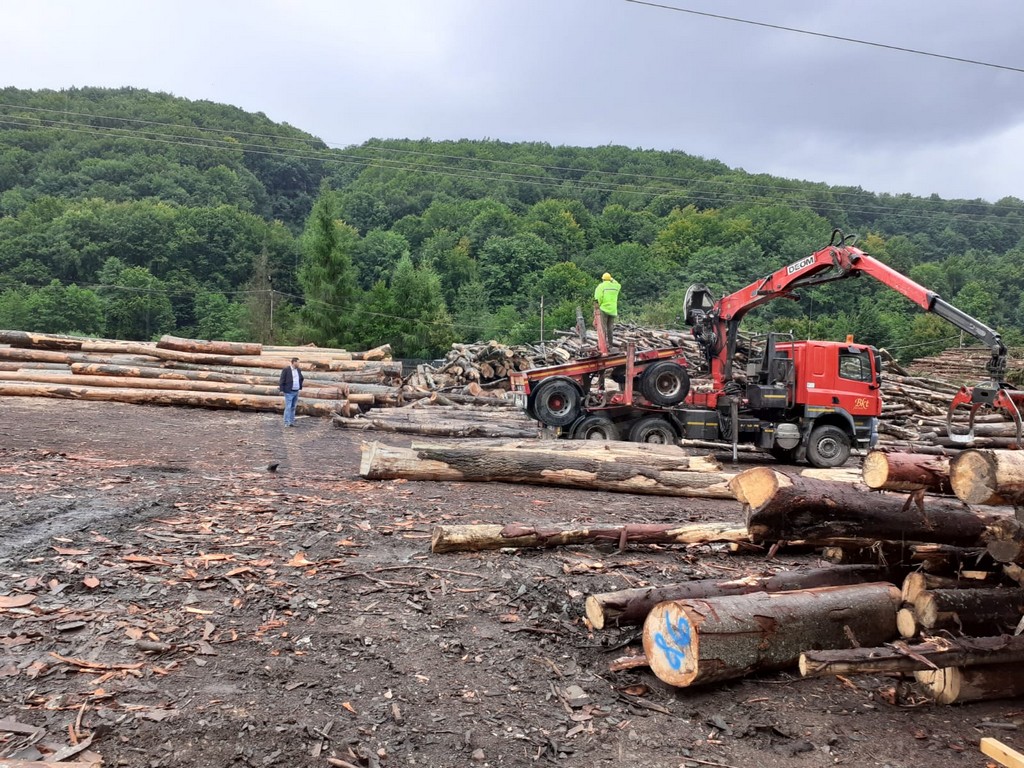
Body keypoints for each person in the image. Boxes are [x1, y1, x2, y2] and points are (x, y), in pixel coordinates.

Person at [593, 272, 621, 348]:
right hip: (612, 310)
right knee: (610, 328)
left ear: (603, 279)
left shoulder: (601, 286)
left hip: (603, 309)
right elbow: (618, 284)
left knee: (602, 328)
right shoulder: (615, 287)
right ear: (610, 279)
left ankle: (603, 345)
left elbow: (597, 298)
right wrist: (611, 279)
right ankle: (610, 345)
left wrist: (596, 309)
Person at [279, 357, 303, 427]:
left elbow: (300, 378)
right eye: (298, 362)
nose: (299, 364)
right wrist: (282, 389)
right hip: (289, 391)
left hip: (296, 391)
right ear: (294, 362)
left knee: (293, 407)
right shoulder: (286, 370)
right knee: (288, 407)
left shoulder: (298, 370)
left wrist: (299, 386)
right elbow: (282, 380)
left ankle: (291, 422)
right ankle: (286, 422)